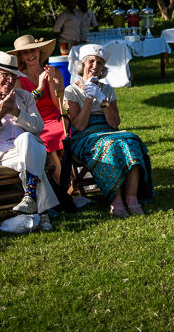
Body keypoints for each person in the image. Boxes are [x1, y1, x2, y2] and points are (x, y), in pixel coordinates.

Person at [0, 52, 59, 222]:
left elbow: (38, 127)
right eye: (5, 75)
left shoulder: (25, 96)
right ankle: (42, 213)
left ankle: (30, 199)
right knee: (32, 152)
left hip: (24, 149)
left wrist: (16, 112)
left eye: (13, 76)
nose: (10, 80)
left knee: (27, 140)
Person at [64, 45, 154, 217]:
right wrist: (89, 98)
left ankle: (132, 198)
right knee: (110, 145)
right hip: (84, 136)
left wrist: (102, 98)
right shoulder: (71, 91)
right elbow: (79, 126)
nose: (95, 66)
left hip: (107, 130)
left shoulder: (107, 90)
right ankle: (116, 199)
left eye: (99, 63)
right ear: (82, 64)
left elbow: (114, 123)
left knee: (132, 140)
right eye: (91, 61)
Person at [10, 34, 65, 185]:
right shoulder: (17, 79)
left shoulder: (55, 72)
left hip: (56, 117)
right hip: (35, 120)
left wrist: (51, 82)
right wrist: (40, 87)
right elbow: (26, 107)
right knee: (47, 138)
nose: (30, 55)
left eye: (33, 50)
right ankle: (66, 186)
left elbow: (58, 104)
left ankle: (68, 180)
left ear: (39, 52)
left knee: (65, 133)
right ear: (20, 57)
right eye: (25, 53)